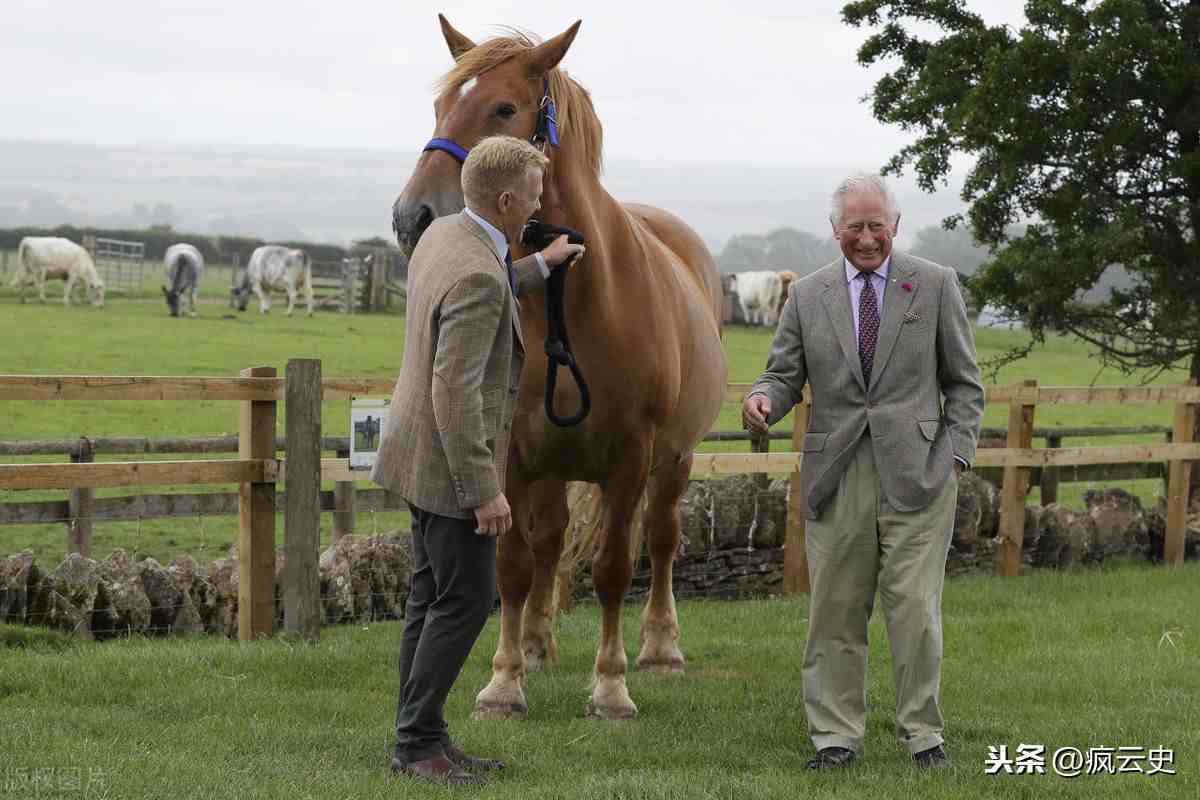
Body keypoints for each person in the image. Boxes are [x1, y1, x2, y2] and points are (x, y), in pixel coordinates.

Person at [743, 173, 983, 771]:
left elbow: (964, 384)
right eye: (855, 227)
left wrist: (955, 455)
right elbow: (781, 374)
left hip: (922, 475)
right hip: (837, 472)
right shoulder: (807, 295)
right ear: (836, 230)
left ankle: (925, 737)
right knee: (835, 611)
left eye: (878, 226)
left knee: (914, 611)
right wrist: (764, 399)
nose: (868, 238)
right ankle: (834, 740)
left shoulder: (934, 284)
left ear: (895, 226)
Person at [372, 135, 585, 786]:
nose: (541, 201)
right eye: (533, 192)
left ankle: (423, 735)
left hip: (411, 452)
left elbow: (485, 284)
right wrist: (484, 490)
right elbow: (453, 388)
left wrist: (542, 264)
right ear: (504, 198)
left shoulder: (445, 238)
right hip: (448, 465)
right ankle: (416, 746)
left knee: (429, 595)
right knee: (465, 601)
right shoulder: (474, 269)